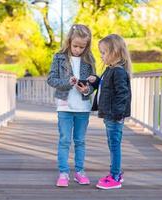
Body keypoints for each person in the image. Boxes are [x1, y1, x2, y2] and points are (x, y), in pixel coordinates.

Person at [47, 24, 96, 187]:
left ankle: (80, 172)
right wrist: (67, 82)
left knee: (80, 141)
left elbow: (94, 83)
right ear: (69, 42)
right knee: (64, 140)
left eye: (82, 47)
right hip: (64, 106)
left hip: (83, 107)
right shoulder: (59, 57)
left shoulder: (89, 59)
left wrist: (87, 89)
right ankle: (63, 173)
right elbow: (51, 79)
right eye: (75, 46)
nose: (78, 50)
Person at [87, 34, 132, 190]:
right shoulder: (110, 70)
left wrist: (118, 114)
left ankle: (115, 177)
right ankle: (115, 172)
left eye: (104, 52)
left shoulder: (118, 71)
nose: (101, 55)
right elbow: (107, 87)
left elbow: (122, 93)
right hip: (110, 115)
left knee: (114, 145)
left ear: (115, 52)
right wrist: (97, 81)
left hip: (114, 116)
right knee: (112, 144)